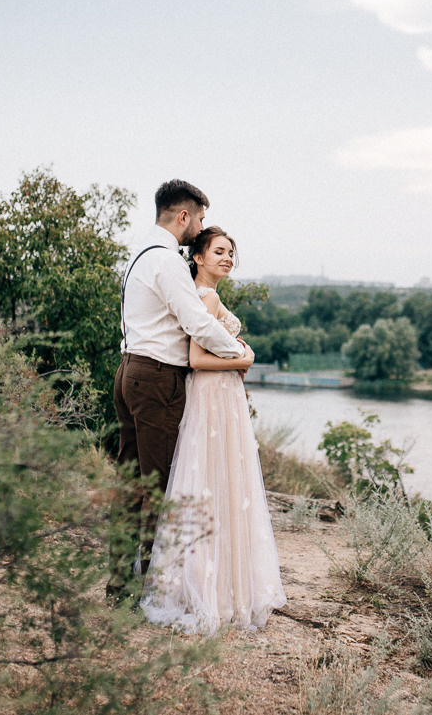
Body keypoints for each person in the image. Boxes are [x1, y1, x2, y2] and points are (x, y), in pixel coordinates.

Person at [110, 181, 254, 598]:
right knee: (160, 486)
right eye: (201, 219)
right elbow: (198, 323)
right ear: (184, 216)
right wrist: (238, 354)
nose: (201, 227)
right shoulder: (167, 262)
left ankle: (121, 583)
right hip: (156, 378)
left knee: (133, 484)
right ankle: (153, 589)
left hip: (130, 370)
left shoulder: (140, 254)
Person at [140, 226, 286, 635]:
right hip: (212, 393)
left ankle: (217, 585)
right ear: (198, 257)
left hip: (221, 396)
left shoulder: (207, 295)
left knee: (215, 482)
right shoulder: (205, 297)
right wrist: (243, 360)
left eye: (231, 252)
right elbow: (197, 359)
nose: (228, 258)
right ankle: (211, 590)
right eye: (219, 251)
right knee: (213, 482)